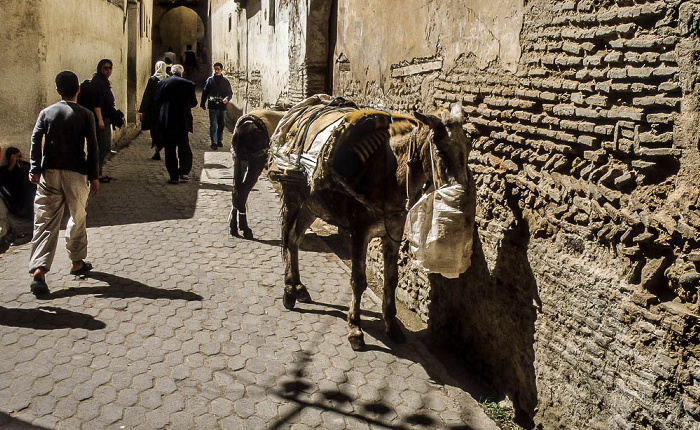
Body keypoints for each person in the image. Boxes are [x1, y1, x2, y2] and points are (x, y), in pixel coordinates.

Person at [28, 71, 100, 297]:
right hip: (76, 174)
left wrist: (34, 167)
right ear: (78, 90)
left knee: (44, 222)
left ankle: (39, 270)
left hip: (49, 173)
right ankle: (77, 262)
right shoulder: (86, 114)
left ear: (57, 90)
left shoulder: (46, 113)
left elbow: (35, 139)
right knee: (77, 217)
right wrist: (94, 175)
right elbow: (94, 147)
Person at [155, 64, 197, 184]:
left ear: (170, 72)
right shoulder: (189, 84)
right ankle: (184, 171)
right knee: (184, 146)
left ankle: (173, 176)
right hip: (183, 121)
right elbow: (193, 103)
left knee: (170, 148)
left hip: (168, 121)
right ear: (182, 73)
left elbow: (157, 100)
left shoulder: (162, 83)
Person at [91, 59, 116, 183]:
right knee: (103, 147)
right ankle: (95, 174)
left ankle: (97, 172)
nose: (108, 70)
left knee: (102, 147)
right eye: (105, 68)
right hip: (100, 120)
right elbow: (97, 104)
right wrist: (100, 120)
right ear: (100, 68)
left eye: (110, 68)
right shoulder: (98, 83)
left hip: (104, 119)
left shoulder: (103, 82)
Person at [138, 61, 168, 160]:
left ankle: (156, 149)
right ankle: (161, 147)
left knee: (154, 130)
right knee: (163, 129)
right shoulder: (168, 79)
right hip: (165, 109)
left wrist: (143, 111)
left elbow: (147, 96)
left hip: (153, 110)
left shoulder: (153, 80)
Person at [201, 62, 233, 150]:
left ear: (221, 70)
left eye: (218, 69)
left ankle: (219, 140)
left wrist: (226, 98)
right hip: (213, 105)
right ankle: (214, 142)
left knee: (222, 124)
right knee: (214, 124)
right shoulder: (210, 80)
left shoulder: (225, 81)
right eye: (215, 69)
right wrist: (202, 103)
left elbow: (229, 93)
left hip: (222, 106)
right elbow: (205, 92)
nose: (216, 71)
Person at [0, 147, 35, 220]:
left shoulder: (28, 166)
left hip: (30, 200)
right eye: (15, 157)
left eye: (19, 156)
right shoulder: (5, 170)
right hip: (17, 202)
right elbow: (3, 180)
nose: (18, 159)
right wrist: (12, 166)